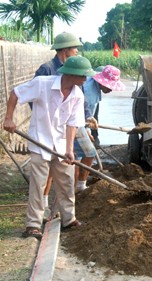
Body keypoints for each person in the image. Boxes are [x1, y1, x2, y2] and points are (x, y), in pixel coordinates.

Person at [2, 56, 96, 239]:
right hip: (40, 141)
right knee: (38, 184)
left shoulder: (77, 94)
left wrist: (69, 150)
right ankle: (33, 225)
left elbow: (72, 124)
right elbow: (16, 94)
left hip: (60, 145)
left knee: (67, 182)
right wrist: (8, 118)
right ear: (72, 74)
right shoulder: (42, 84)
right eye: (83, 76)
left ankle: (69, 219)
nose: (85, 79)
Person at [35, 32, 83, 211]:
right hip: (47, 131)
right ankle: (44, 203)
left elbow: (78, 99)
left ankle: (67, 213)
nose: (77, 51)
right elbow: (36, 103)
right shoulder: (46, 70)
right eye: (74, 48)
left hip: (67, 129)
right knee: (44, 171)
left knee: (65, 171)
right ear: (65, 50)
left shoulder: (75, 70)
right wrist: (48, 123)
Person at [74, 65, 126, 192]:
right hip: (74, 124)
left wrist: (91, 131)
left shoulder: (94, 85)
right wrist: (84, 129)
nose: (111, 89)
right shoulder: (89, 91)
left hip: (82, 124)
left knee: (85, 155)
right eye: (110, 86)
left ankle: (78, 185)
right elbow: (78, 111)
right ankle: (75, 187)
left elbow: (91, 112)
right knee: (80, 156)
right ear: (102, 82)